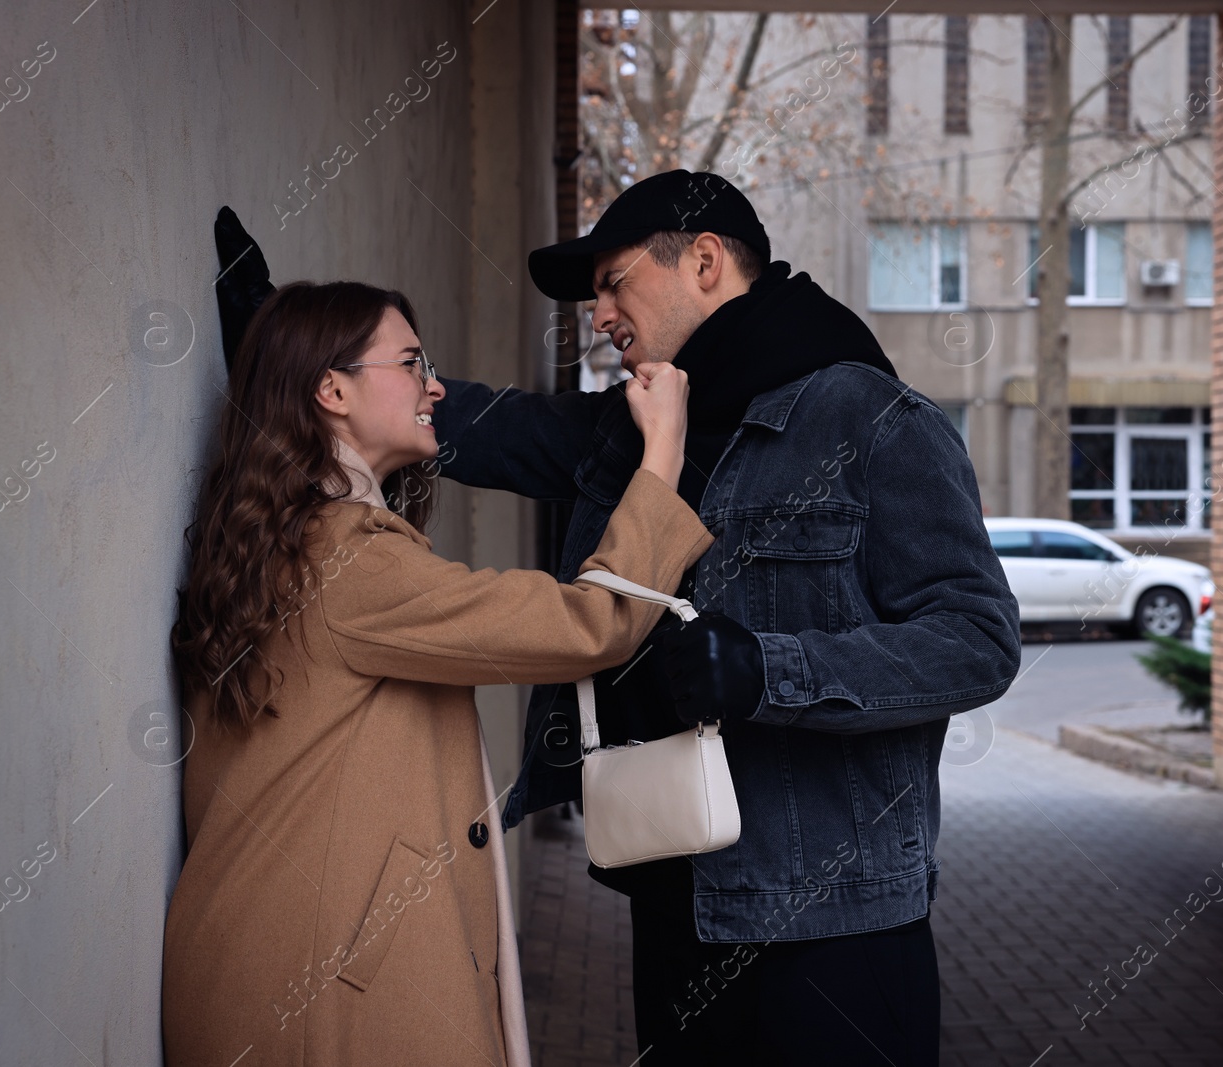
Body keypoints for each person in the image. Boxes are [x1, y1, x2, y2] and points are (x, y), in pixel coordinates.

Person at [214, 170, 1022, 1065]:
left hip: (832, 924)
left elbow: (977, 640)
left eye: (612, 282)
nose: (599, 314)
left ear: (705, 263)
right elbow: (492, 423)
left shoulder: (875, 423)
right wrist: (278, 360)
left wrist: (771, 668)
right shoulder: (635, 426)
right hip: (675, 898)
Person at [163, 274, 712, 1067]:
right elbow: (594, 622)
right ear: (331, 389)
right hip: (325, 993)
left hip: (268, 963)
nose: (436, 387)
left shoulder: (282, 535)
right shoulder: (347, 557)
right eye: (413, 365)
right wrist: (663, 451)